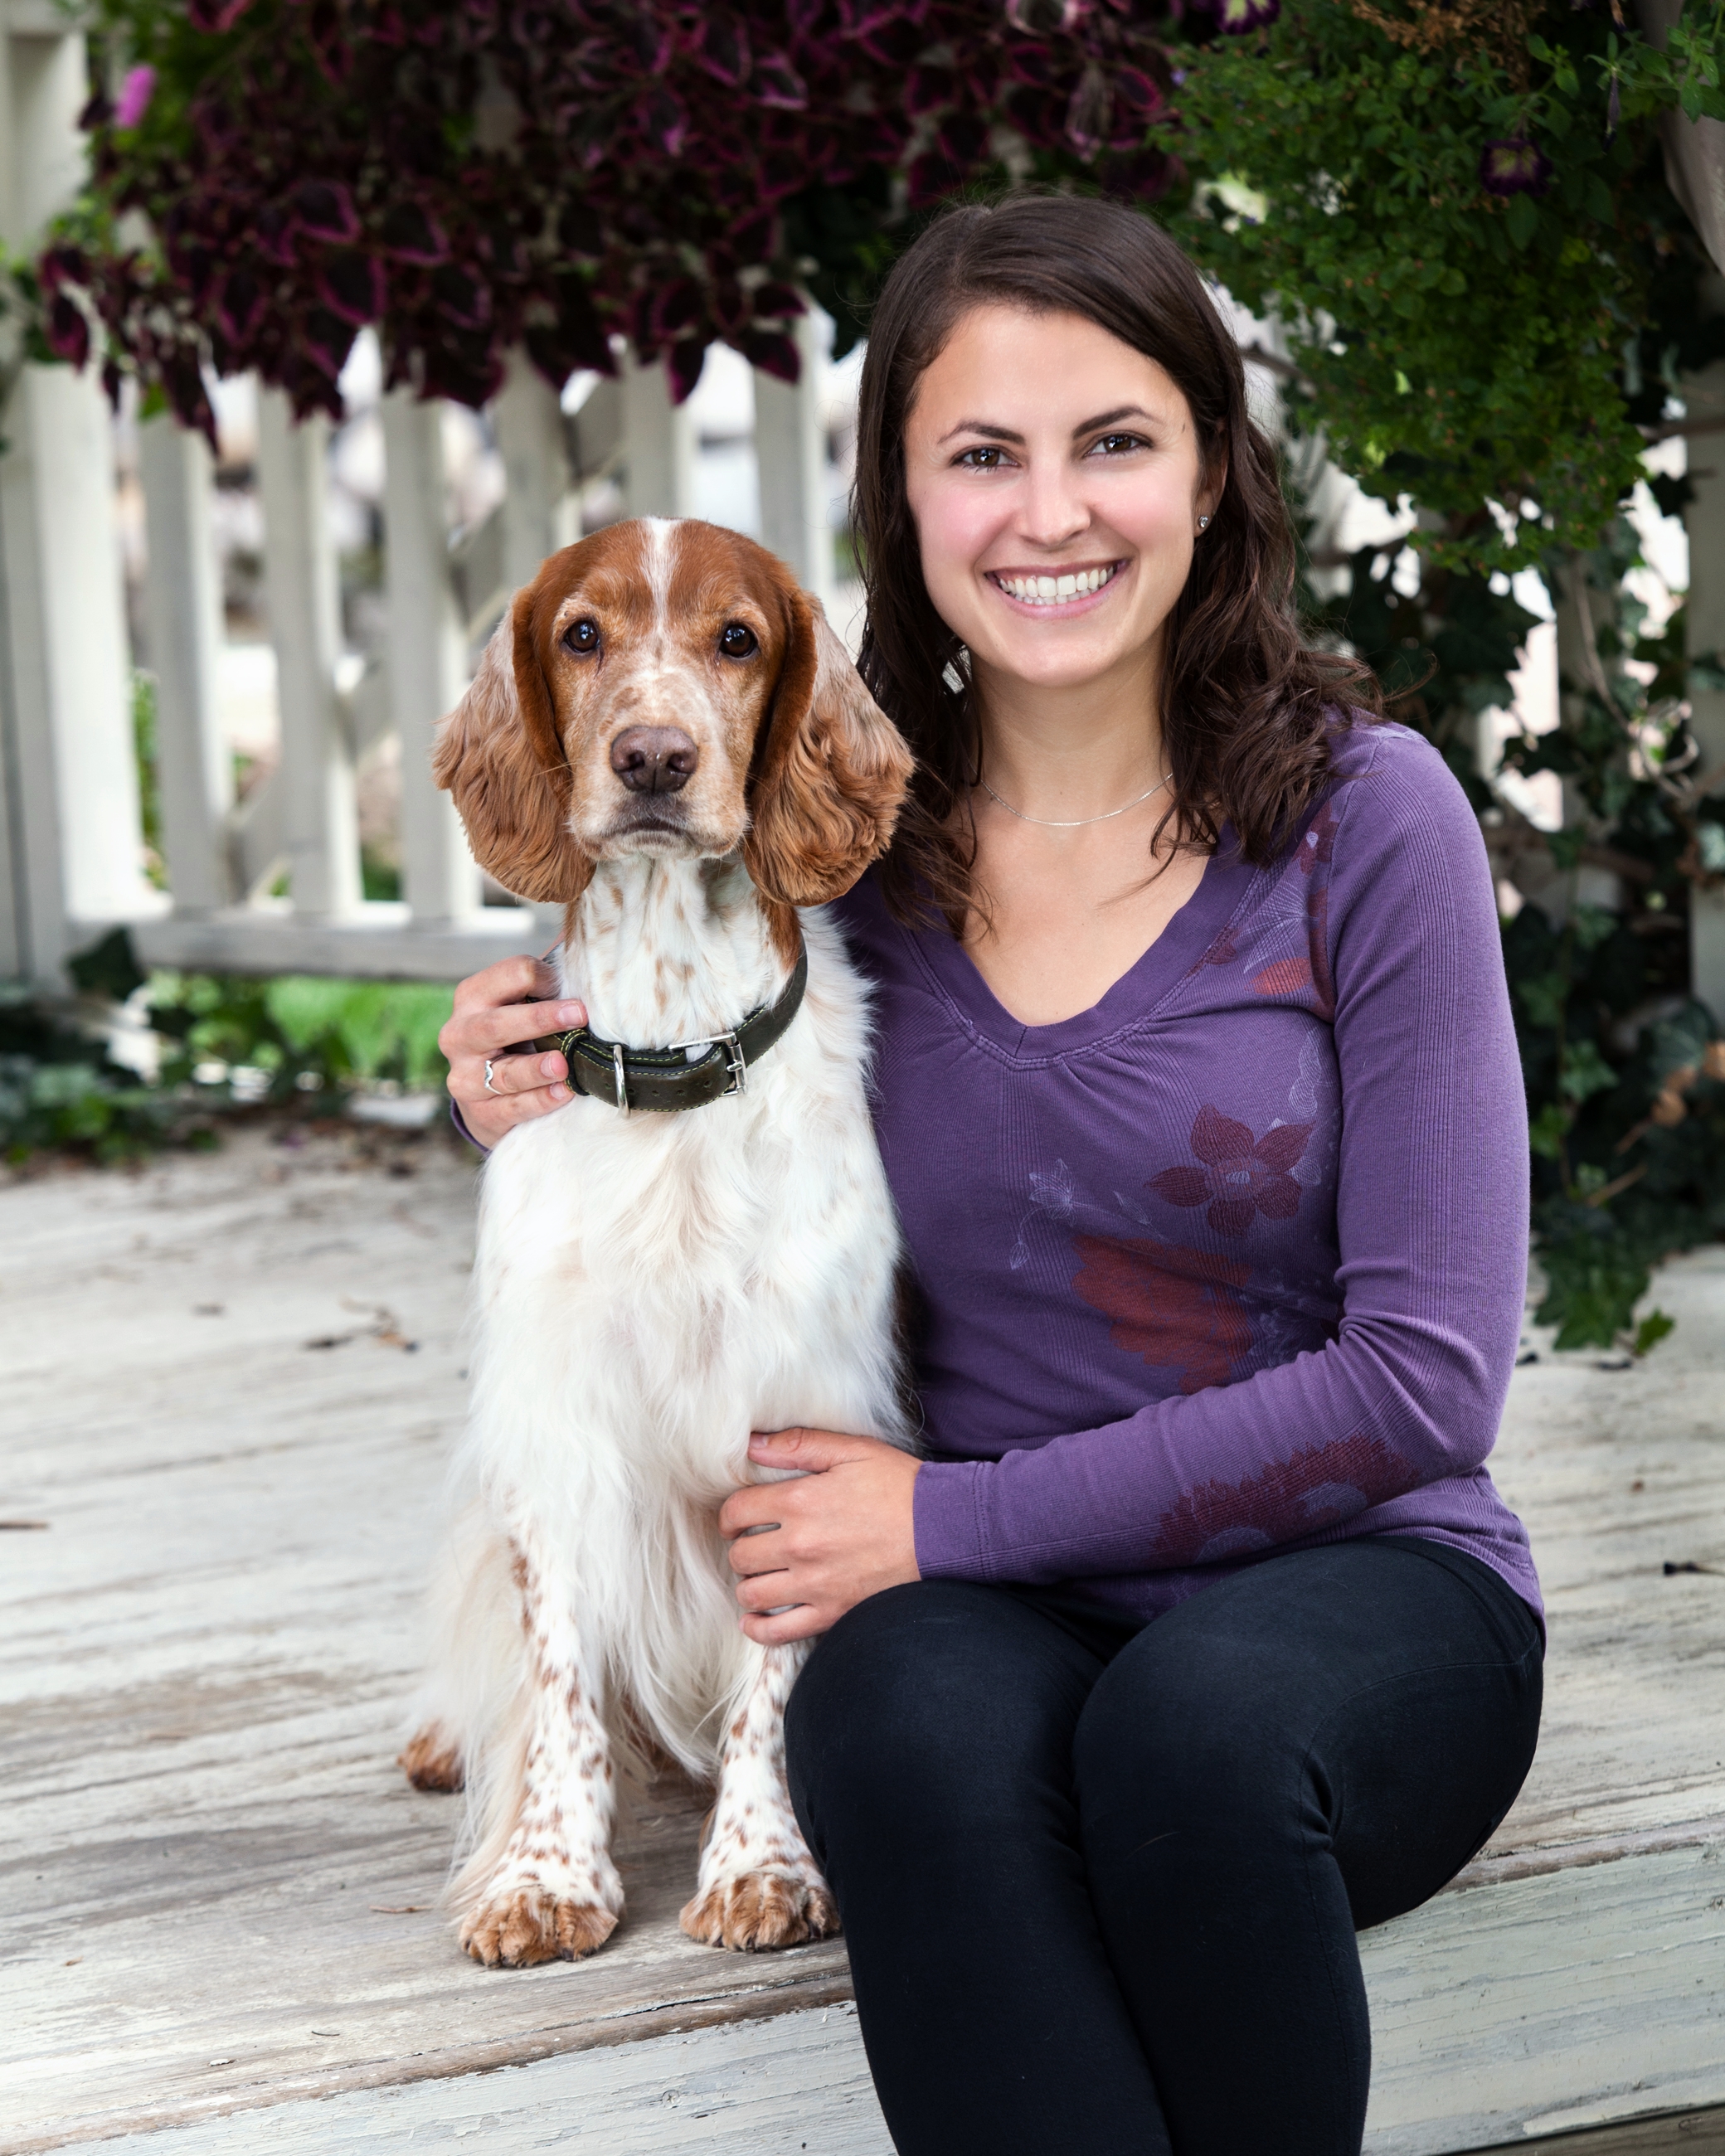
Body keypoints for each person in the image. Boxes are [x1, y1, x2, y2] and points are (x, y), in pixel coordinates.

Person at [440, 194, 1543, 2156]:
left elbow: (1424, 1382)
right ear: (904, 502)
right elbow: (681, 1064)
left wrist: (954, 1520)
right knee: (903, 1739)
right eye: (980, 456)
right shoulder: (846, 849)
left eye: (1112, 440)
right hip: (982, 1615)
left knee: (1183, 1742)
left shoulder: (1369, 820)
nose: (1050, 512)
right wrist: (521, 1049)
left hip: (1350, 1594)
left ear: (1210, 470)